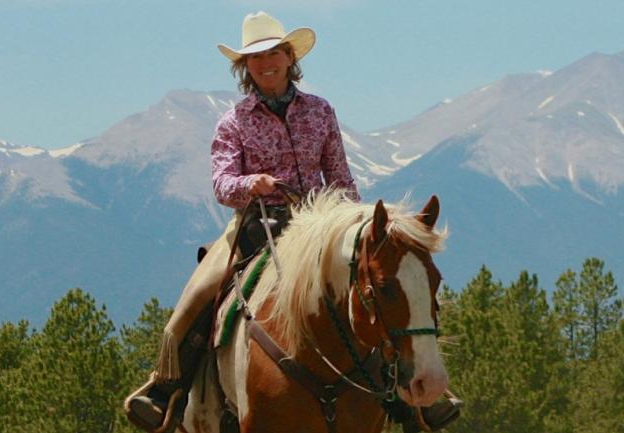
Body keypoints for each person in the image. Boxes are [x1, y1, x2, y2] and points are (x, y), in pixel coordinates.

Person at [125, 11, 458, 433]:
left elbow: (339, 175)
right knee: (197, 298)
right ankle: (166, 389)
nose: (266, 64)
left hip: (323, 227)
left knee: (378, 286)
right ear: (245, 67)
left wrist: (355, 222)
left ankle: (416, 391)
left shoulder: (320, 111)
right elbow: (223, 184)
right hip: (257, 227)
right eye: (255, 58)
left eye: (273, 54)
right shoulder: (234, 121)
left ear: (289, 57)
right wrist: (253, 182)